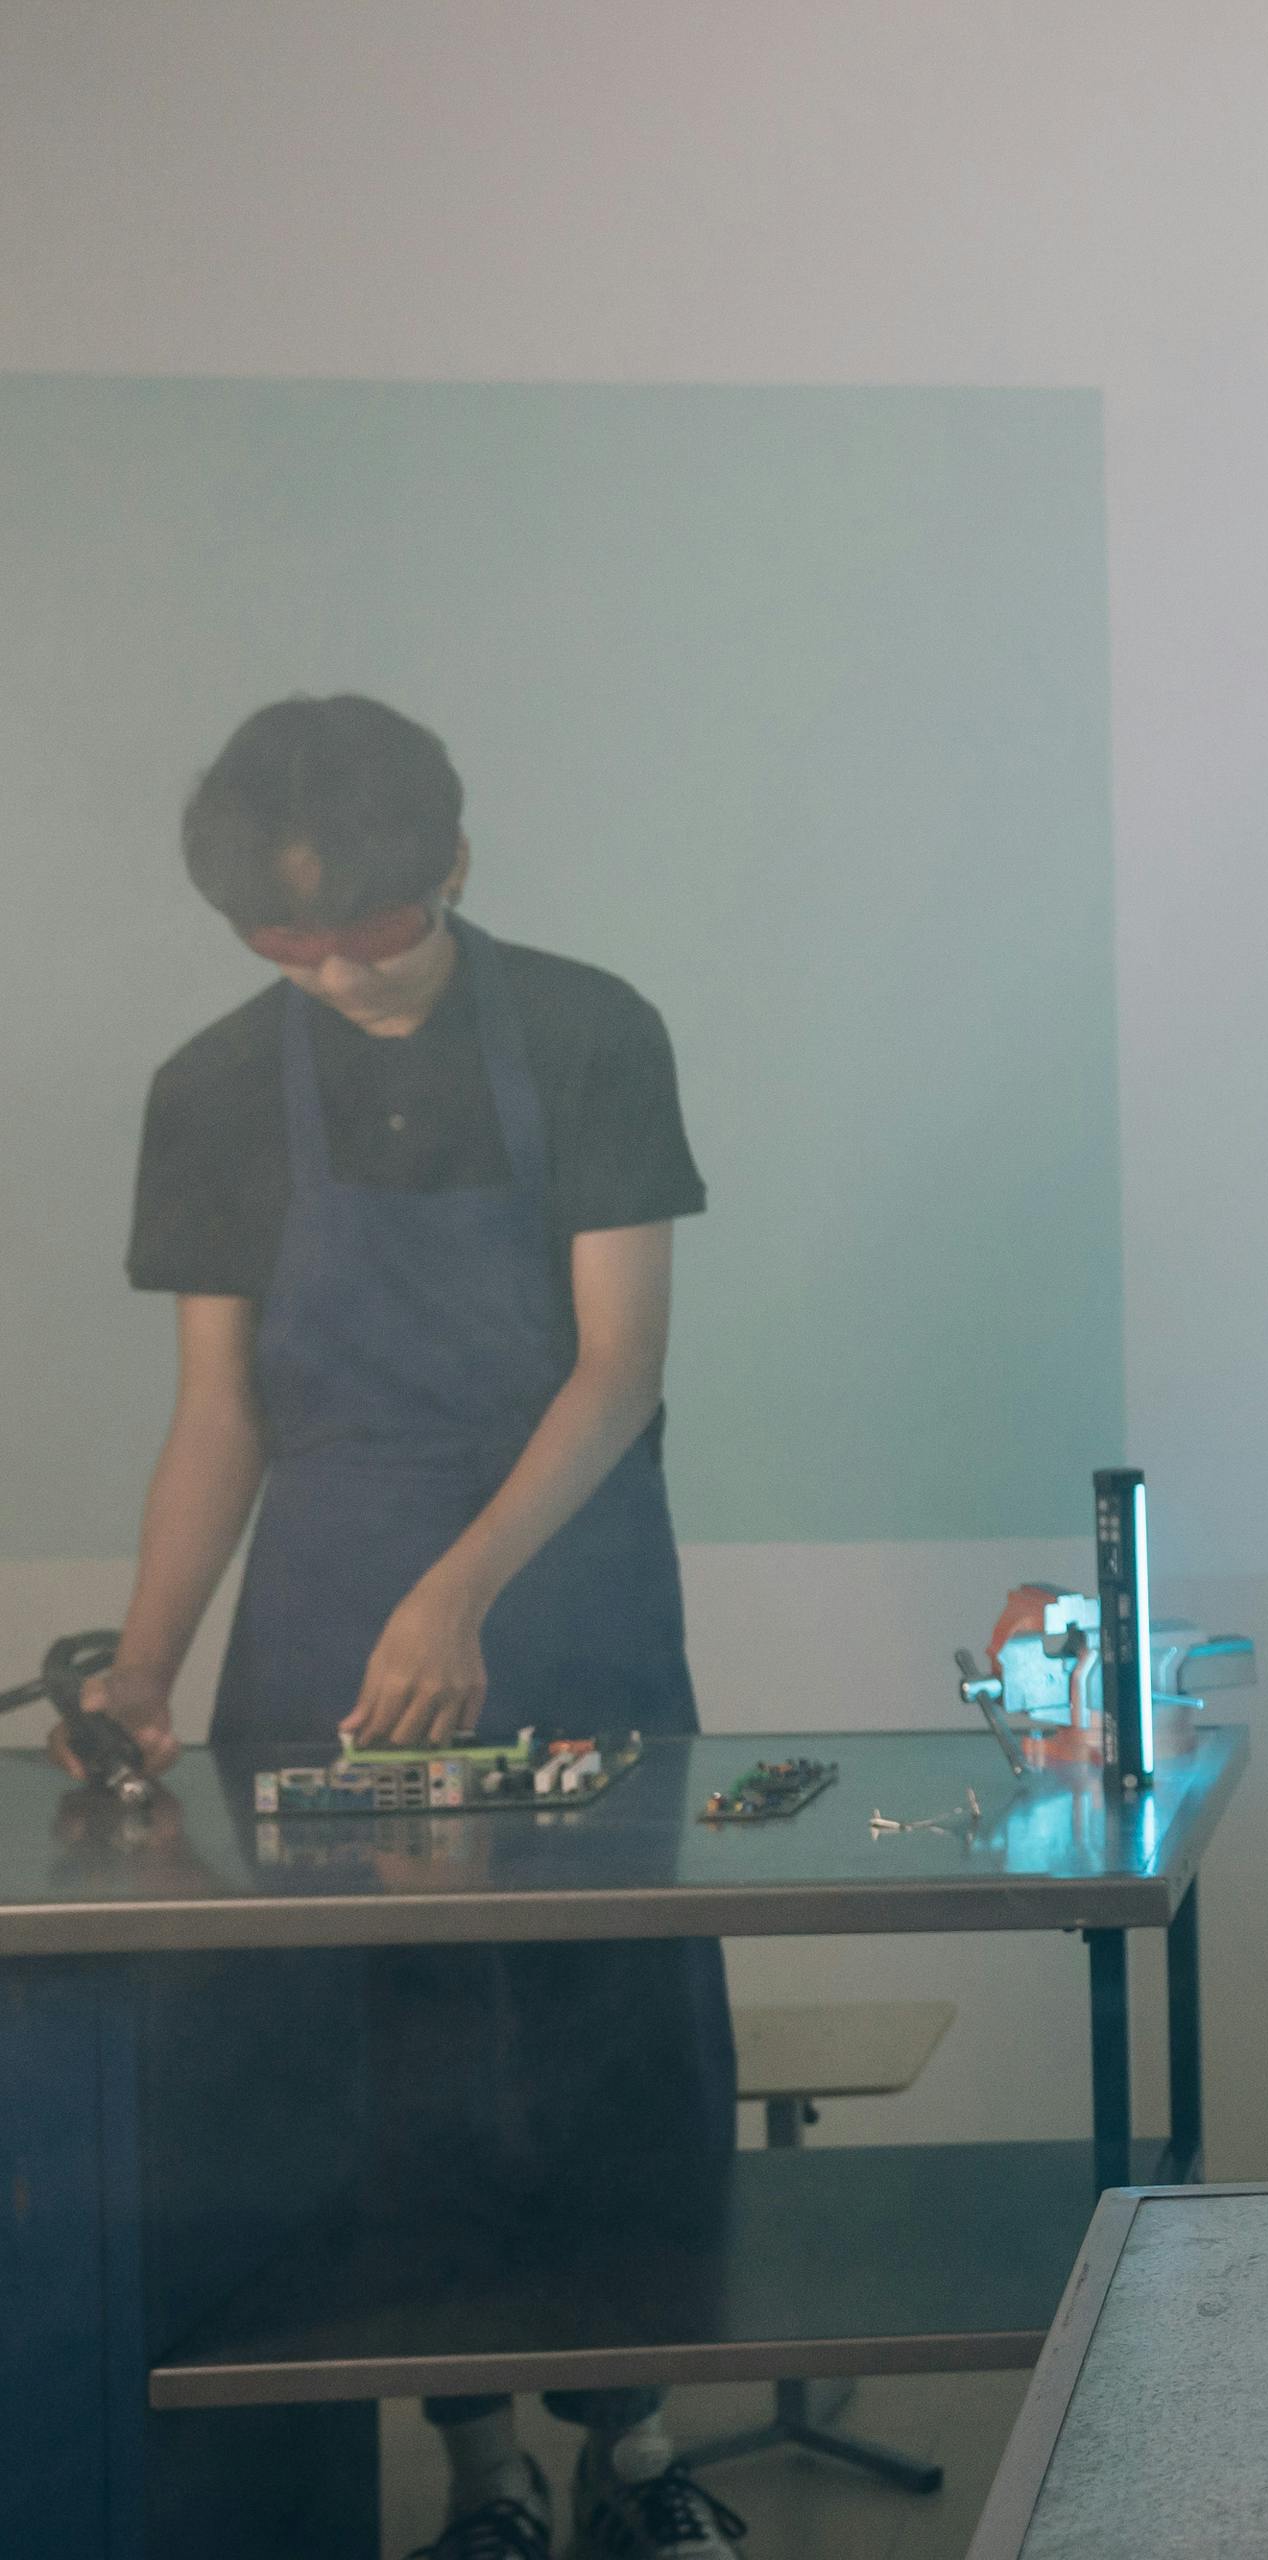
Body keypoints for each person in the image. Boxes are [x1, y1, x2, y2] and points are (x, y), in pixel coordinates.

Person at [66, 697, 745, 2560]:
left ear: (452, 863)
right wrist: (140, 1664)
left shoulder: (595, 1030)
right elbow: (223, 1414)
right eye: (292, 946)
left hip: (571, 1572)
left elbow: (618, 1371)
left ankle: (634, 2448)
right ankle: (481, 2479)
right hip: (330, 1596)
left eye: (372, 926)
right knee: (392, 2048)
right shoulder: (213, 1084)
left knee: (609, 2014)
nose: (341, 972)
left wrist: (463, 1584)